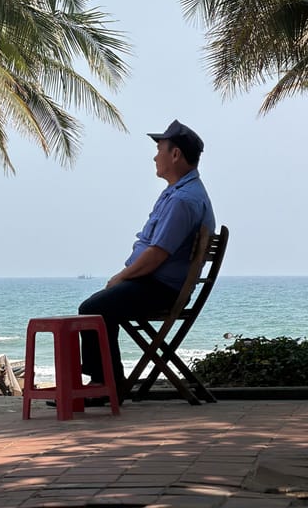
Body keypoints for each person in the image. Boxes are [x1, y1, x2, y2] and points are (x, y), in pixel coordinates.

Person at [78, 119, 215, 404]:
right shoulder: (180, 193)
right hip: (159, 284)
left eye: (160, 149)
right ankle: (106, 382)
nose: (155, 157)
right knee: (99, 307)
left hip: (160, 288)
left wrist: (122, 276)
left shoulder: (183, 200)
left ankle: (104, 385)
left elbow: (157, 254)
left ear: (175, 154)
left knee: (93, 309)